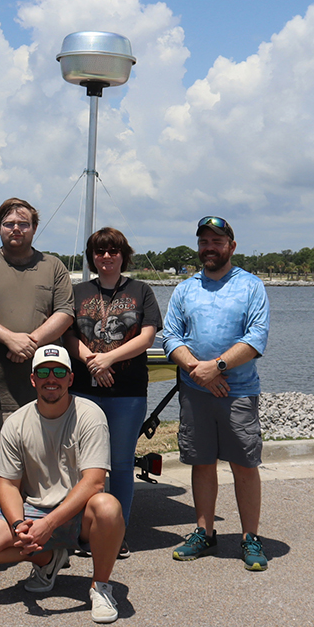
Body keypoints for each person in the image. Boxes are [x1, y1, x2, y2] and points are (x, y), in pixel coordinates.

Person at [0, 345, 126, 623]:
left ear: (70, 379)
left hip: (79, 511)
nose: (50, 377)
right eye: (42, 371)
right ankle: (47, 560)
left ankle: (100, 587)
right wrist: (20, 527)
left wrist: (49, 524)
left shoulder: (90, 415)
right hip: (35, 510)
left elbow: (95, 482)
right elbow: (7, 485)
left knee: (108, 507)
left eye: (58, 372)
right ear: (33, 379)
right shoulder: (15, 423)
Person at [161, 215, 270, 571]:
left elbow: (256, 338)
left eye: (217, 241)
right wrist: (199, 371)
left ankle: (250, 538)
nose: (209, 248)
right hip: (195, 391)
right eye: (204, 242)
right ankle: (204, 533)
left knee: (244, 464)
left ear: (231, 247)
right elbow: (170, 337)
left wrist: (217, 367)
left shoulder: (251, 286)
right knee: (202, 461)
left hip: (238, 392)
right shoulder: (185, 289)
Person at [0, 198, 74, 517]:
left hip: (45, 385)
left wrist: (31, 342)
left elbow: (66, 311)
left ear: (34, 228)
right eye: (9, 223)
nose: (16, 229)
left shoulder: (53, 265)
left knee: (47, 463)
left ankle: (45, 533)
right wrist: (9, 338)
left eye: (23, 223)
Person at [62, 227, 161, 558]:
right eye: (100, 251)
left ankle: (115, 534)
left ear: (124, 254)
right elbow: (68, 335)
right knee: (83, 466)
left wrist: (109, 359)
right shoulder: (76, 292)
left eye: (113, 251)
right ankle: (82, 532)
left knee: (119, 465)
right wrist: (92, 362)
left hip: (128, 393)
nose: (106, 257)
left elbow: (146, 338)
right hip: (83, 390)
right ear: (92, 256)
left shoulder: (141, 290)